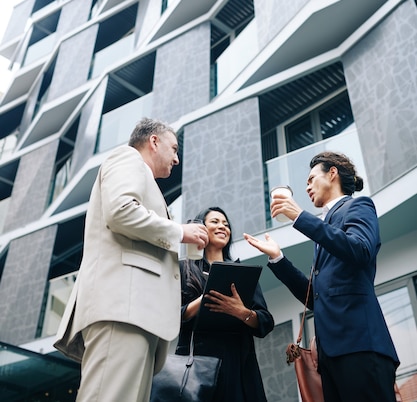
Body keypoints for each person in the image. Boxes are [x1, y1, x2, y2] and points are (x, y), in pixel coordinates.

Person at [54, 117, 209, 402]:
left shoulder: (143, 176)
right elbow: (121, 211)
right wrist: (179, 232)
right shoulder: (128, 159)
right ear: (153, 141)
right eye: (174, 149)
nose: (176, 159)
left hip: (135, 313)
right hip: (123, 310)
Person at [244, 151, 400, 402]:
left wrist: (300, 218)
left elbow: (361, 250)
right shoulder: (325, 228)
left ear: (332, 173)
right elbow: (316, 299)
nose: (306, 187)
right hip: (329, 358)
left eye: (310, 179)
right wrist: (278, 259)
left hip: (360, 348)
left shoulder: (358, 205)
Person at [176, 206, 274, 401]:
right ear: (200, 228)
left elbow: (266, 322)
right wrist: (206, 299)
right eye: (215, 222)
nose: (223, 227)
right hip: (197, 363)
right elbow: (172, 316)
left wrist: (242, 312)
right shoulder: (183, 269)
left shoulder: (241, 273)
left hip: (237, 364)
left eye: (226, 224)